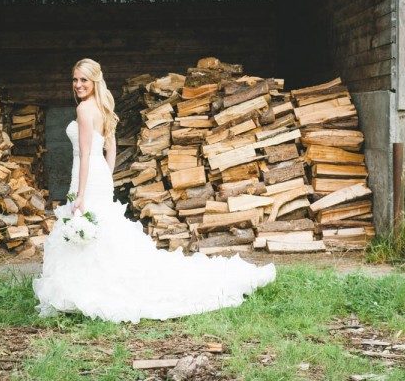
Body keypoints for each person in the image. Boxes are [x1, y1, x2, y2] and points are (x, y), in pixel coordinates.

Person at [32, 58, 276, 324]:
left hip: (87, 177)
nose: (78, 84)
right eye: (75, 79)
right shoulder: (103, 107)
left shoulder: (84, 110)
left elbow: (88, 153)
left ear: (94, 82)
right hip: (99, 176)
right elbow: (110, 149)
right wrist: (107, 175)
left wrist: (80, 194)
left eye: (83, 80)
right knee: (101, 230)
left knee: (89, 225)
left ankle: (86, 288)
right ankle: (87, 285)